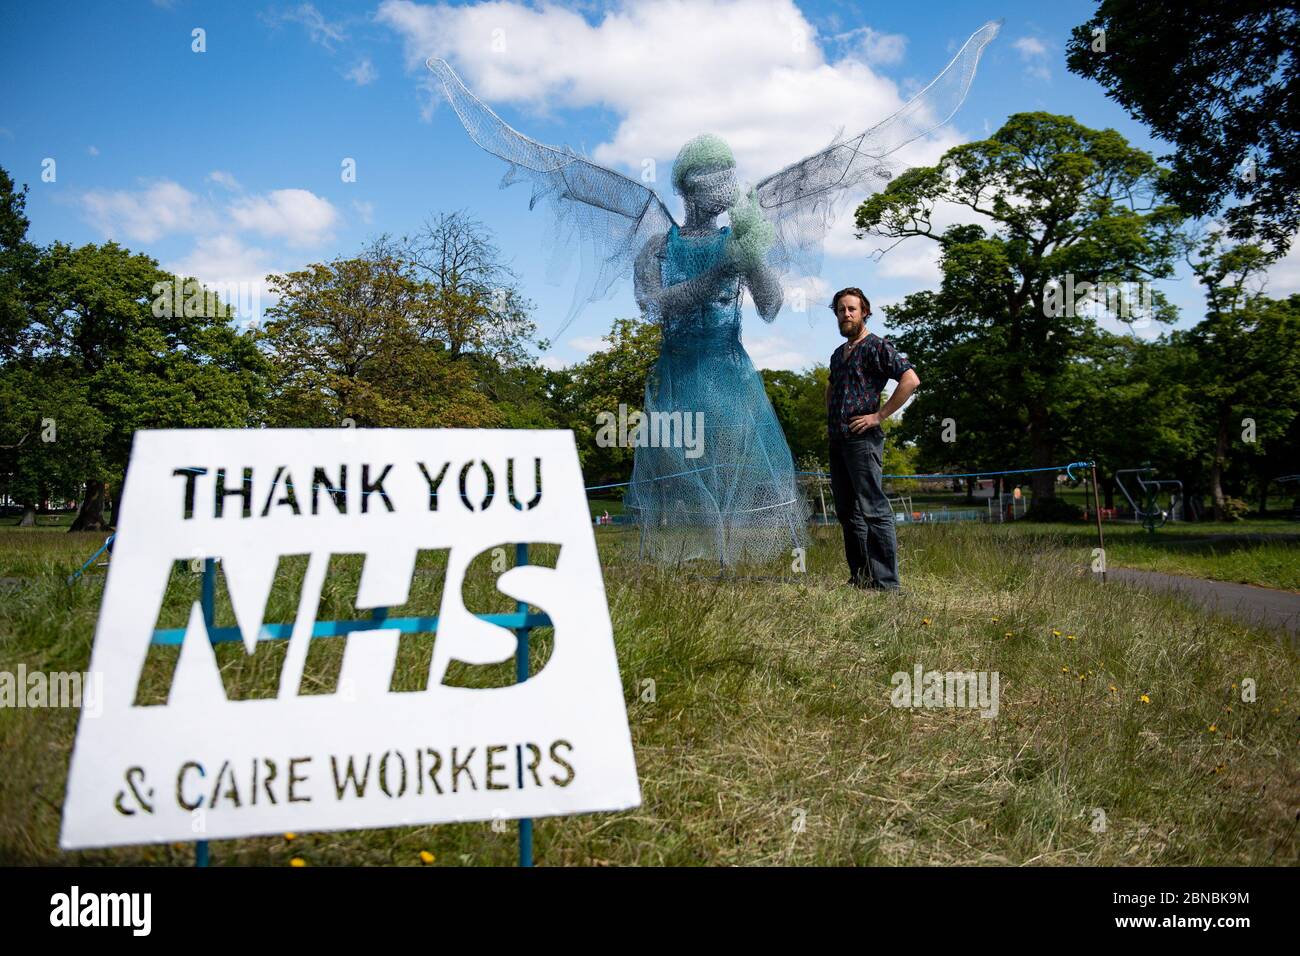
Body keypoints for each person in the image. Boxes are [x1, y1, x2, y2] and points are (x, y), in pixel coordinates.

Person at [825, 288, 920, 591]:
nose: (846, 314)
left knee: (873, 509)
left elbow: (910, 379)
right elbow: (831, 389)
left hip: (863, 440)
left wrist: (879, 416)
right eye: (841, 309)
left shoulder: (877, 346)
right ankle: (862, 578)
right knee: (846, 513)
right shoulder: (838, 354)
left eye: (852, 309)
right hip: (838, 439)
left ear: (864, 312)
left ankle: (887, 584)